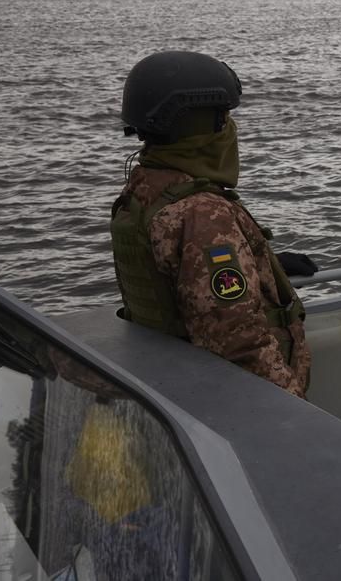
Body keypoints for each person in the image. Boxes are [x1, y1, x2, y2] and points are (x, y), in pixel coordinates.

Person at [110, 51, 313, 398]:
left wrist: (262, 265)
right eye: (224, 117)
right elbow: (238, 343)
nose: (230, 128)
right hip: (248, 410)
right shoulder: (201, 213)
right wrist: (294, 412)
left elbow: (184, 281)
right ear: (204, 126)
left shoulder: (145, 189)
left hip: (180, 383)